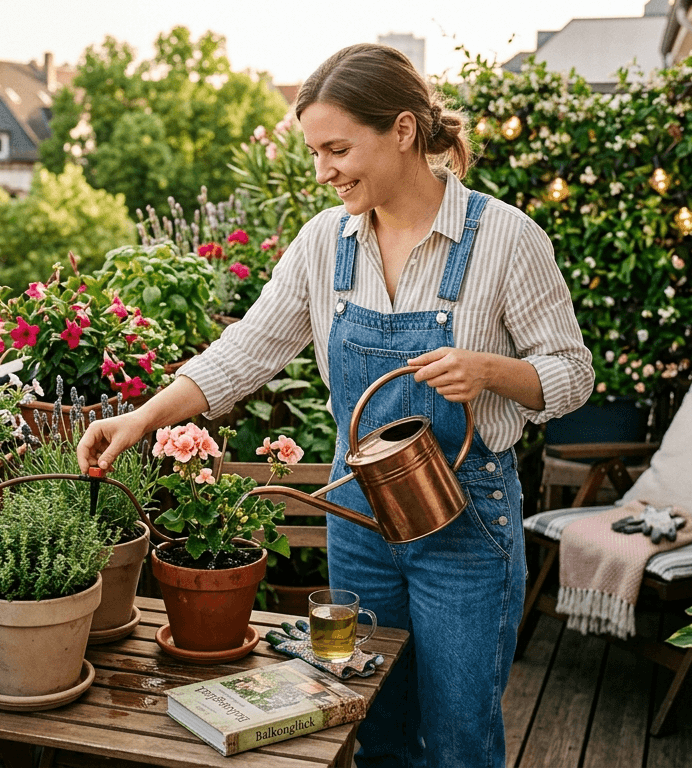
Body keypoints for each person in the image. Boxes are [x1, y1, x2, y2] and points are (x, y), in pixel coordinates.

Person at [78, 43, 593, 767]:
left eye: (338, 149)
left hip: (467, 524)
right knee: (373, 729)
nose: (323, 171)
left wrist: (491, 371)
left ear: (404, 130)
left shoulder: (505, 238)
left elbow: (572, 375)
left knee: (460, 740)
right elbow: (245, 351)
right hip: (359, 520)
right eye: (315, 152)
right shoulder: (325, 243)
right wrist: (141, 418)